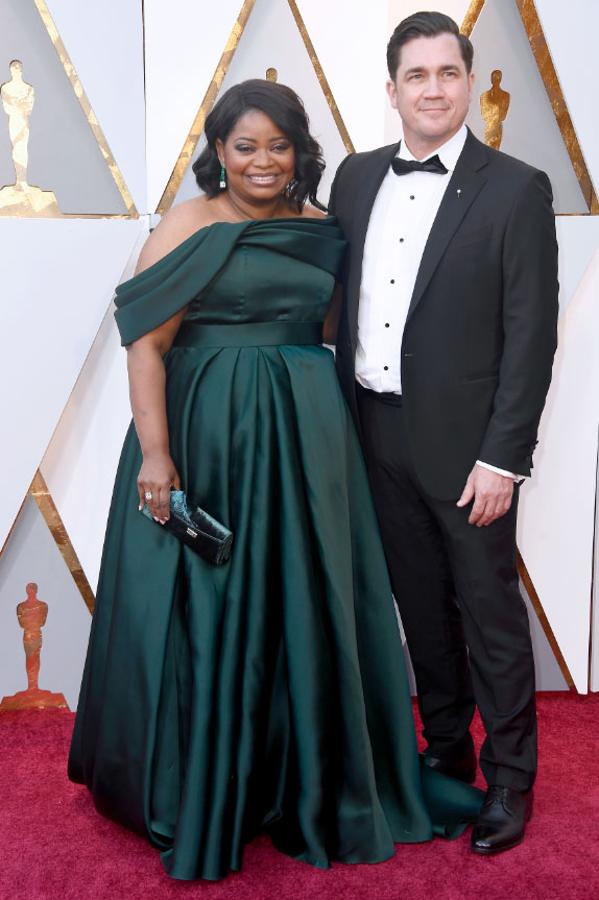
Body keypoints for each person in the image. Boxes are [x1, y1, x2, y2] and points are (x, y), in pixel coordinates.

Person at [68, 79, 481, 882]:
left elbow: (331, 329)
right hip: (207, 437)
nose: (263, 161)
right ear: (218, 154)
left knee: (305, 599)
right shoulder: (189, 224)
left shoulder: (321, 229)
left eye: (278, 145)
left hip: (305, 440)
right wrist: (157, 455)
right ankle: (210, 783)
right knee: (212, 607)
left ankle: (309, 775)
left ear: (301, 153)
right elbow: (145, 345)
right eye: (245, 146)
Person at [329, 13, 558, 856]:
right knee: (419, 611)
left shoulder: (515, 187)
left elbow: (531, 335)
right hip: (374, 434)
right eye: (415, 75)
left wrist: (504, 456)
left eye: (447, 72)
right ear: (390, 90)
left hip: (471, 455)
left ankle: (509, 782)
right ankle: (446, 753)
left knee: (489, 617)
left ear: (467, 82)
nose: (432, 88)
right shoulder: (352, 179)